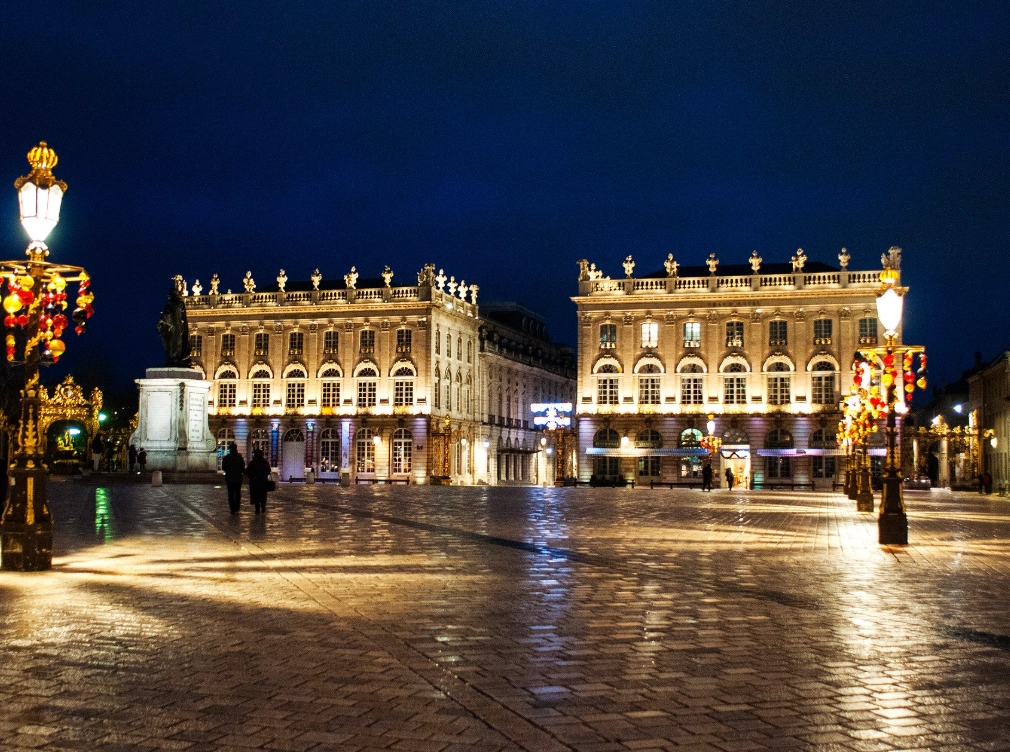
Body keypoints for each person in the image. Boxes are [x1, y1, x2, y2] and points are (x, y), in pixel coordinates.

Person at [245, 448, 272, 514]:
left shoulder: (253, 462)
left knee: (256, 495)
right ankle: (263, 507)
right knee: (263, 494)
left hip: (254, 481)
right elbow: (268, 471)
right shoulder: (265, 462)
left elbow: (248, 471)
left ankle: (257, 508)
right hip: (263, 481)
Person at [221, 442, 245, 515]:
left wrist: (229, 471)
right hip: (238, 477)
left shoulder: (227, 458)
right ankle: (237, 507)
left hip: (229, 478)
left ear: (230, 449)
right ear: (236, 448)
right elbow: (242, 467)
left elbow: (223, 467)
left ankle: (232, 508)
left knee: (230, 493)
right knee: (237, 493)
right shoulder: (239, 458)